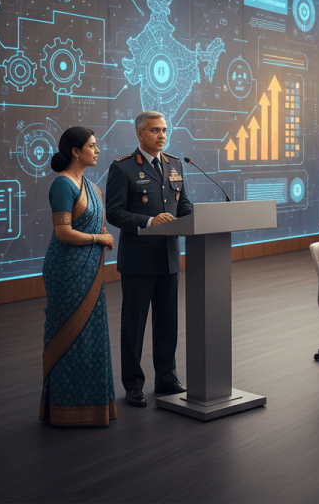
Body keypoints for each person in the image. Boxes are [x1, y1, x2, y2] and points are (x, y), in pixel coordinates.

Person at [106, 111, 193, 408]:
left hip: (168, 257)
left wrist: (202, 218)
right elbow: (114, 213)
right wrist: (149, 220)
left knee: (167, 323)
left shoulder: (175, 164)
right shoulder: (124, 168)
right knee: (135, 325)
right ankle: (133, 385)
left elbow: (184, 205)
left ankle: (167, 378)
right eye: (155, 130)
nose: (162, 135)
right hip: (139, 260)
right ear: (140, 134)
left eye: (164, 130)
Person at [41, 126, 117, 427]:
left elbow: (95, 226)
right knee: (69, 336)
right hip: (67, 272)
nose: (97, 150)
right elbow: (63, 232)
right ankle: (63, 409)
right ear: (76, 151)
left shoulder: (90, 186)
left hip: (89, 271)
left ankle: (91, 406)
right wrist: (99, 240)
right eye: (92, 146)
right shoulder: (63, 185)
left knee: (91, 336)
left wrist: (103, 234)